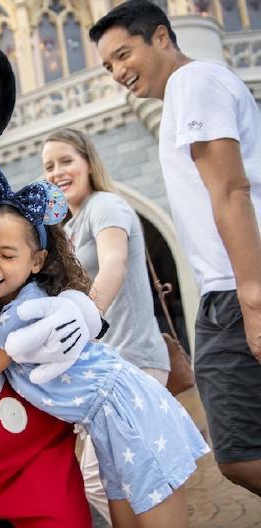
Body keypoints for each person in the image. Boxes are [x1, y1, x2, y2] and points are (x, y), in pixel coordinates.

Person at [0, 164, 209, 528]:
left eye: (7, 255)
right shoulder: (10, 303)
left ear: (37, 261)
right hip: (107, 425)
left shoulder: (22, 311)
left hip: (130, 416)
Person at [89, 0, 261, 496]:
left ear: (162, 37)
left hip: (235, 291)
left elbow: (231, 190)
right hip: (226, 291)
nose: (118, 71)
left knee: (240, 453)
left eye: (124, 54)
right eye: (107, 65)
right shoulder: (191, 91)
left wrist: (251, 297)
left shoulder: (192, 83)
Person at [42, 127, 170, 522]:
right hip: (107, 371)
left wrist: (83, 322)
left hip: (132, 360)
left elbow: (113, 263)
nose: (57, 172)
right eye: (48, 166)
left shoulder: (105, 205)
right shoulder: (72, 223)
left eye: (66, 161)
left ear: (87, 162)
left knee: (106, 480)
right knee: (116, 483)